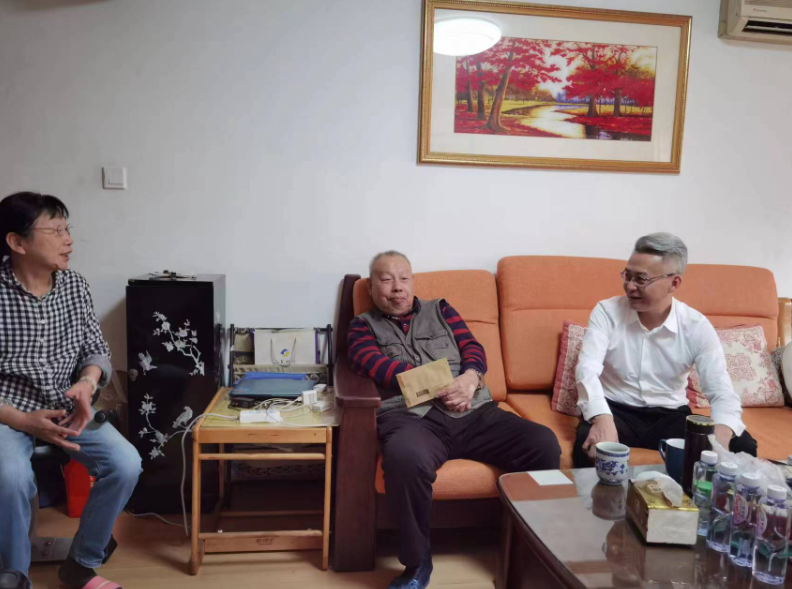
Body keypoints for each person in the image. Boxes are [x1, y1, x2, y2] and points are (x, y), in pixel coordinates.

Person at [348, 251, 560, 589]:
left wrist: (472, 377)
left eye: (404, 278)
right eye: (386, 280)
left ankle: (533, 550)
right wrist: (445, 382)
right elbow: (374, 365)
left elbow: (472, 348)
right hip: (412, 420)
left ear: (413, 282)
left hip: (474, 412)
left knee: (542, 443)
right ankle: (417, 564)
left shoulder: (442, 310)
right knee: (404, 458)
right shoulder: (362, 326)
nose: (397, 287)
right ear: (371, 288)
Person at [0, 192, 141, 589]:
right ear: (17, 242)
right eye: (56, 230)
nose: (68, 239)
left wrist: (87, 382)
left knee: (125, 463)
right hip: (9, 413)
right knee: (9, 477)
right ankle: (14, 577)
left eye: (67, 228)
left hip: (68, 409)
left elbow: (95, 349)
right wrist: (22, 420)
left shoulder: (74, 285)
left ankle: (81, 564)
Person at [573, 233, 757, 468]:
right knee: (589, 447)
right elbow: (587, 369)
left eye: (641, 279)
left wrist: (721, 436)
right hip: (616, 410)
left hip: (670, 416)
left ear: (674, 283)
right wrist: (602, 418)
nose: (630, 286)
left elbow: (722, 392)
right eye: (627, 275)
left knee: (742, 446)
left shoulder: (696, 326)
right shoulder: (606, 312)